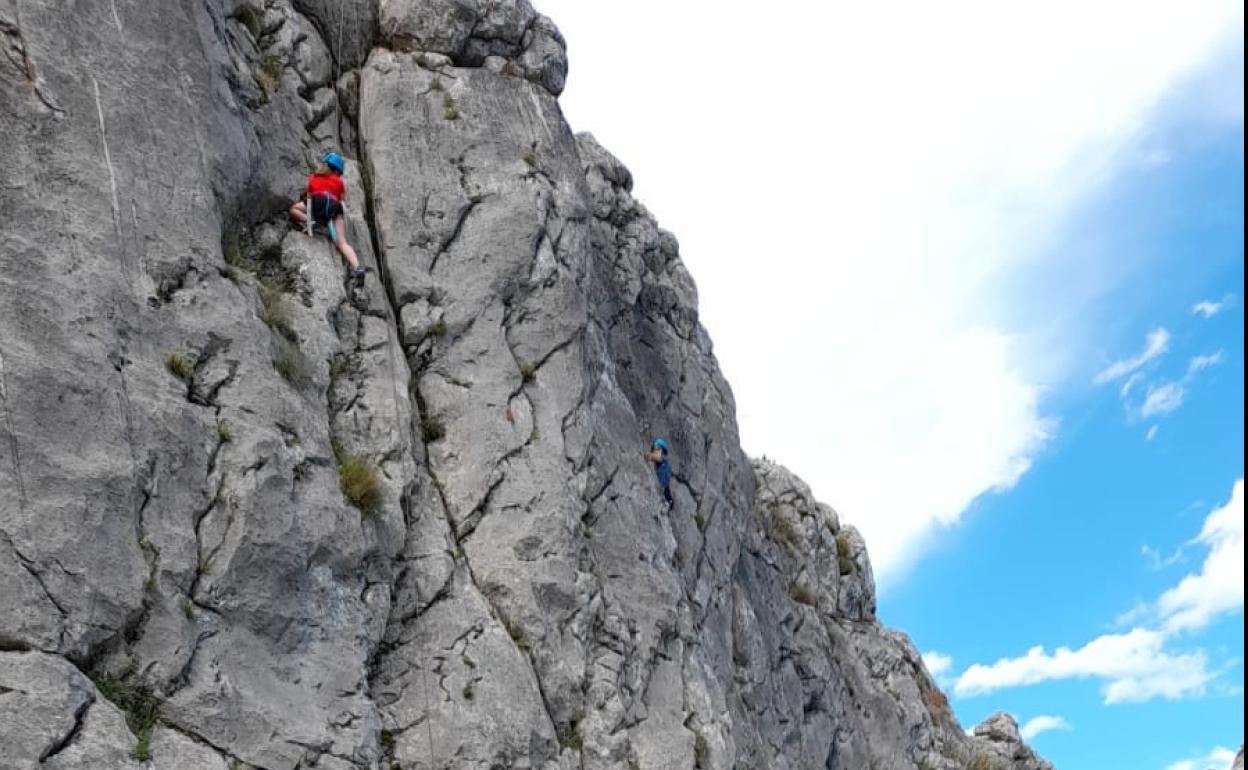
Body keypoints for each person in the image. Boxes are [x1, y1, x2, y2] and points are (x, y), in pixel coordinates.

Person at [288, 152, 366, 286]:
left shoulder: (314, 177)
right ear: (337, 171)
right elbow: (341, 199)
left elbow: (309, 195)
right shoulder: (340, 182)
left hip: (317, 203)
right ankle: (358, 267)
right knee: (342, 243)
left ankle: (311, 221)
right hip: (335, 207)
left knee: (293, 209)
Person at [650, 438, 673, 506]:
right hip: (662, 486)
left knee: (667, 495)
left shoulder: (664, 462)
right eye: (655, 449)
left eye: (658, 449)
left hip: (663, 487)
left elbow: (657, 458)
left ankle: (670, 502)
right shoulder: (660, 462)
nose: (656, 451)